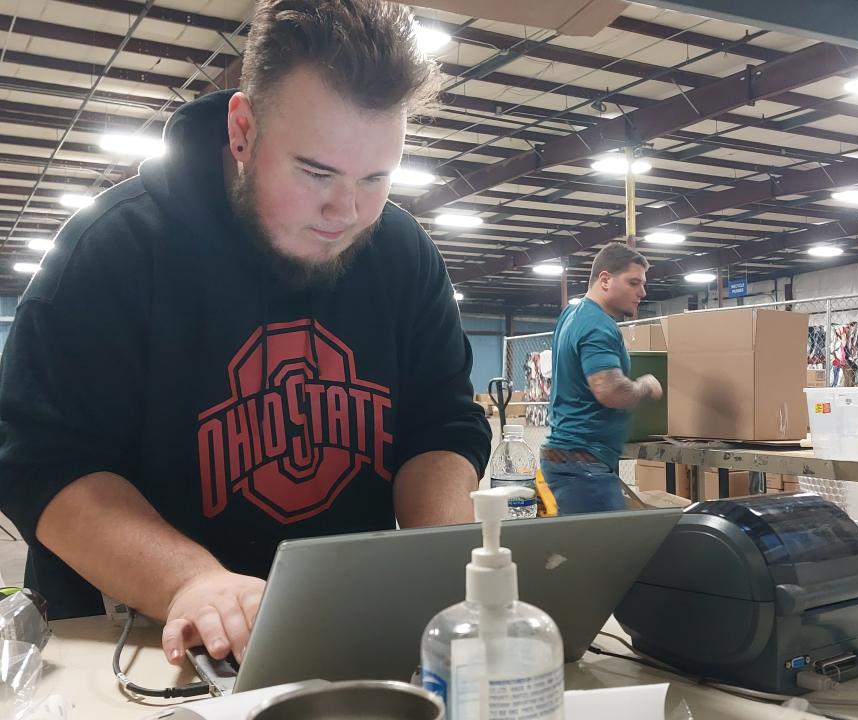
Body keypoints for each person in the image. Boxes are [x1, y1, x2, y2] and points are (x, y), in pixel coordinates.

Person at [0, 0, 491, 668]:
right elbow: (43, 466)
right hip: (132, 647)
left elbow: (440, 426)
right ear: (242, 130)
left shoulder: (404, 255)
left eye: (376, 177)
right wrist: (192, 581)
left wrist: (442, 569)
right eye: (316, 172)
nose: (345, 211)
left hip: (338, 639)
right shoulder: (112, 251)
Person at [541, 242, 662, 514]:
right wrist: (645, 386)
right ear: (605, 279)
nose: (642, 292)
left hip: (571, 459)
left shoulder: (573, 313)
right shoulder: (598, 325)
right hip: (583, 464)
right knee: (606, 552)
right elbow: (610, 390)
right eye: (633, 283)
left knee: (585, 548)